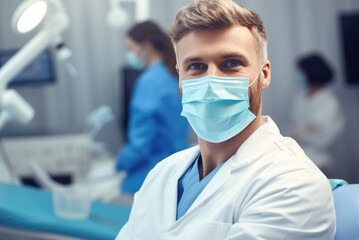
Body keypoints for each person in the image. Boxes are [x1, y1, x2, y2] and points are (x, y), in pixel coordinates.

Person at [116, 1, 336, 239]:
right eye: (196, 66)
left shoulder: (293, 184)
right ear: (180, 82)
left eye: (231, 63)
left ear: (264, 75)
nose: (211, 82)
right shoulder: (162, 174)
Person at [116, 21, 189, 194]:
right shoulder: (173, 76)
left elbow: (140, 144)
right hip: (177, 171)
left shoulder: (149, 82)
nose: (130, 54)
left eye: (131, 48)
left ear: (147, 46)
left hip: (148, 176)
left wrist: (119, 163)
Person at [290, 53, 345, 176]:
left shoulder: (329, 101)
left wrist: (298, 132)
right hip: (297, 161)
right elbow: (293, 129)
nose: (298, 75)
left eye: (301, 72)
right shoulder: (300, 97)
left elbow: (322, 137)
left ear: (311, 72)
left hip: (318, 163)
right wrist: (303, 131)